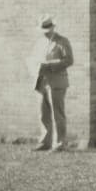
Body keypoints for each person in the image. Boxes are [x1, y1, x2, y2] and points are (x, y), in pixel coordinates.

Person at [30, 15, 74, 152]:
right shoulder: (40, 42)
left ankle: (60, 143)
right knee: (43, 113)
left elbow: (69, 60)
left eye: (48, 29)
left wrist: (49, 66)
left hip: (57, 82)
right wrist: (35, 66)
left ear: (53, 28)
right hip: (42, 81)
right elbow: (34, 59)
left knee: (57, 114)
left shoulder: (62, 42)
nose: (46, 32)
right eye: (44, 30)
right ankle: (45, 141)